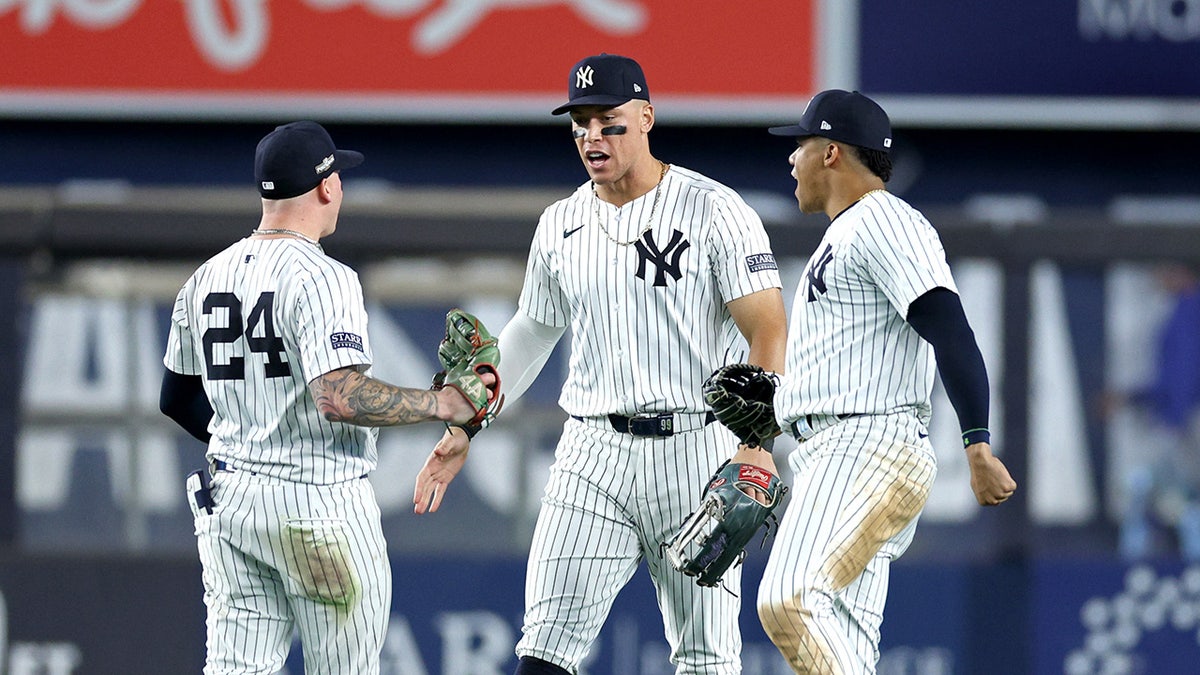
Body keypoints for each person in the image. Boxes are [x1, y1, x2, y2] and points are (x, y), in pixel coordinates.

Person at [413, 53, 788, 674]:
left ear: (646, 117)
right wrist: (465, 426)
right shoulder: (560, 223)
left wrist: (755, 443)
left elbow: (767, 327)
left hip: (697, 449)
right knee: (544, 646)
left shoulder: (714, 210)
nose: (593, 137)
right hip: (594, 454)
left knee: (707, 659)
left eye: (609, 121)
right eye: (580, 122)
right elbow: (532, 333)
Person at [159, 121, 497, 674]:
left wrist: (254, 442)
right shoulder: (322, 276)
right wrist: (442, 404)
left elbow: (176, 397)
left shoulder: (204, 277)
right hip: (317, 508)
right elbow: (339, 397)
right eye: (337, 172)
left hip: (231, 499)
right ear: (326, 187)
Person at [757, 90, 1017, 673]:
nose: (791, 159)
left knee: (788, 601)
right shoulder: (848, 232)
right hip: (835, 448)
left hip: (868, 448)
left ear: (831, 153)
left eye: (800, 145)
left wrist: (977, 442)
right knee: (843, 642)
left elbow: (949, 327)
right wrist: (778, 404)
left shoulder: (884, 220)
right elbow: (855, 359)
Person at [1108, 262, 1200, 561]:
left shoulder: (1189, 310)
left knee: (1168, 495)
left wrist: (1175, 421)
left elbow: (1185, 374)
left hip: (1185, 422)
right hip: (1179, 417)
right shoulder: (1181, 309)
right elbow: (1172, 377)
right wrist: (1132, 398)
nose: (1159, 277)